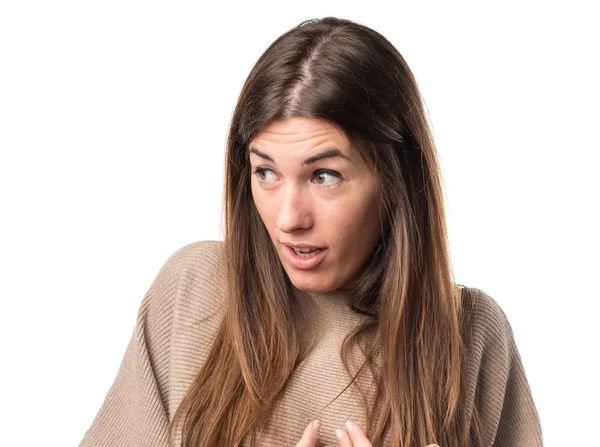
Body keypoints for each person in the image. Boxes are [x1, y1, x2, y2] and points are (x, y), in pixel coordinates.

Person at [79, 17, 543, 447]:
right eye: (266, 172)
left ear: (394, 179)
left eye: (324, 176)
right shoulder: (192, 292)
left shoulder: (469, 333)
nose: (288, 219)